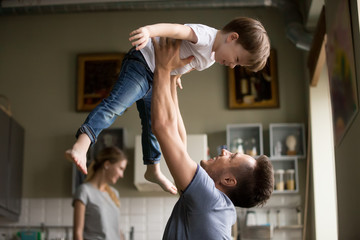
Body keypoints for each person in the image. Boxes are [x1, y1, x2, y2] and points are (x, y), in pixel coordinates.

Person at [65, 16, 270, 195]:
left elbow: (187, 62)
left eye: (238, 65)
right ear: (232, 38)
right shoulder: (206, 36)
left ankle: (152, 169)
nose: (232, 65)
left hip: (157, 78)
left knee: (152, 125)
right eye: (236, 59)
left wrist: (177, 74)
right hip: (142, 63)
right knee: (115, 106)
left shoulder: (210, 58)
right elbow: (175, 29)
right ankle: (81, 145)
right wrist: (148, 31)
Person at [150, 37, 274, 239]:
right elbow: (179, 143)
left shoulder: (209, 200)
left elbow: (162, 127)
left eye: (231, 156)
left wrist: (163, 68)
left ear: (228, 180)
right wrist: (172, 79)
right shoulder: (217, 206)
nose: (224, 151)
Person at [73, 146, 127, 240]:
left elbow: (117, 231)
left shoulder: (114, 193)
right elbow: (78, 233)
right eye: (120, 168)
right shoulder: (84, 191)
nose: (122, 175)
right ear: (107, 164)